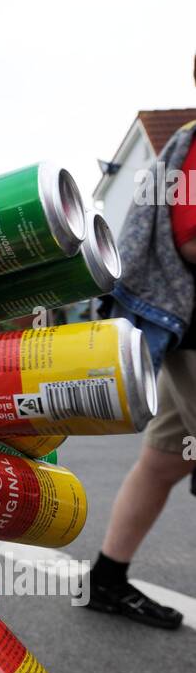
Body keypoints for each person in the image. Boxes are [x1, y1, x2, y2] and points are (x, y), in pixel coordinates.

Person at [88, 115, 196, 629]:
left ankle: (107, 580)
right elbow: (190, 237)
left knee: (165, 460)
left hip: (181, 326)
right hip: (190, 327)